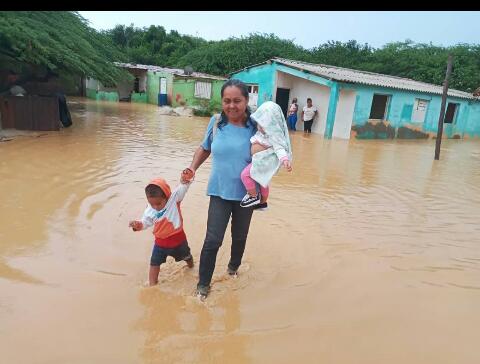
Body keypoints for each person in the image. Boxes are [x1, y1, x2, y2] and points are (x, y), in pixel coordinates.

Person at [183, 79, 257, 299]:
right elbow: (205, 148)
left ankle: (233, 269)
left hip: (247, 193)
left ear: (246, 101)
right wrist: (192, 168)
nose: (232, 106)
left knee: (240, 236)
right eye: (227, 101)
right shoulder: (216, 122)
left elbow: (270, 153)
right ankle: (203, 285)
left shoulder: (256, 125)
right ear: (222, 101)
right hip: (219, 191)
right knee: (213, 239)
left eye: (237, 101)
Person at [129, 169, 195, 286]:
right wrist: (138, 225)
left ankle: (192, 266)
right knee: (154, 264)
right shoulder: (150, 210)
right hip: (160, 244)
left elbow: (183, 187)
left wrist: (186, 178)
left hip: (178, 241)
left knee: (187, 257)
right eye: (152, 204)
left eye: (158, 204)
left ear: (167, 197)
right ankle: (152, 286)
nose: (155, 207)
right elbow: (145, 222)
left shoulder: (174, 199)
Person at [239, 101, 293, 210]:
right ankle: (263, 203)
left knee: (245, 175)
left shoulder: (274, 135)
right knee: (263, 182)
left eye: (264, 125)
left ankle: (253, 196)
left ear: (272, 124)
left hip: (263, 161)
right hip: (259, 161)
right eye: (259, 123)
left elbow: (279, 148)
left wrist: (285, 160)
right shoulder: (261, 132)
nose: (260, 127)